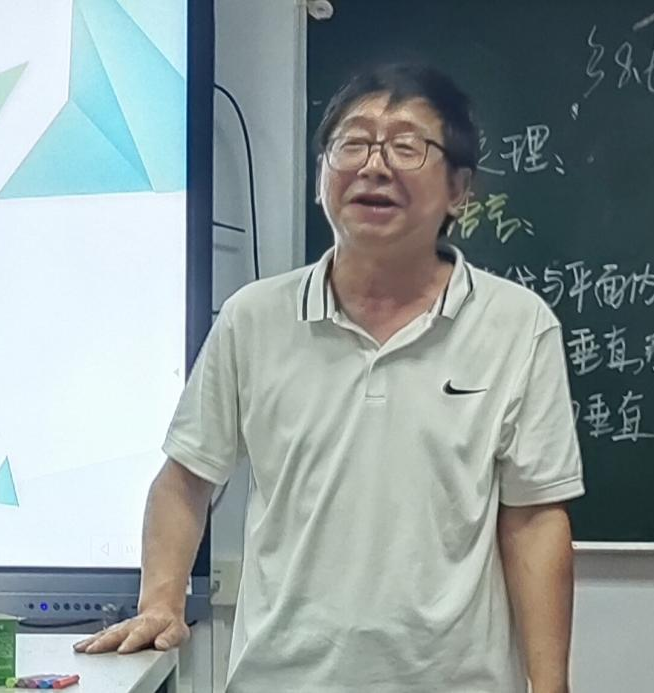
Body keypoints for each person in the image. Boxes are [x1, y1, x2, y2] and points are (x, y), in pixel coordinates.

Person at [74, 63, 584, 693]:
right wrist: (160, 601)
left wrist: (550, 686)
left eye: (406, 146)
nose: (374, 166)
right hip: (278, 680)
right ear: (322, 175)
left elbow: (534, 521)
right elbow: (184, 481)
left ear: (459, 189)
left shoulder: (517, 326)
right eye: (353, 143)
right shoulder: (254, 318)